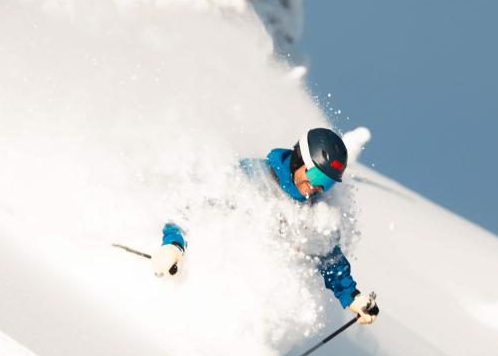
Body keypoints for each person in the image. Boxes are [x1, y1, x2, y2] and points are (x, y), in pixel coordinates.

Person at [151, 128, 379, 325]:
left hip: (247, 310)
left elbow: (330, 259)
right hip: (203, 290)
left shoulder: (316, 215)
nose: (316, 187)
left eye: (326, 183)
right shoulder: (253, 177)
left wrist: (352, 296)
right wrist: (173, 244)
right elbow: (193, 204)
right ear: (300, 159)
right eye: (316, 175)